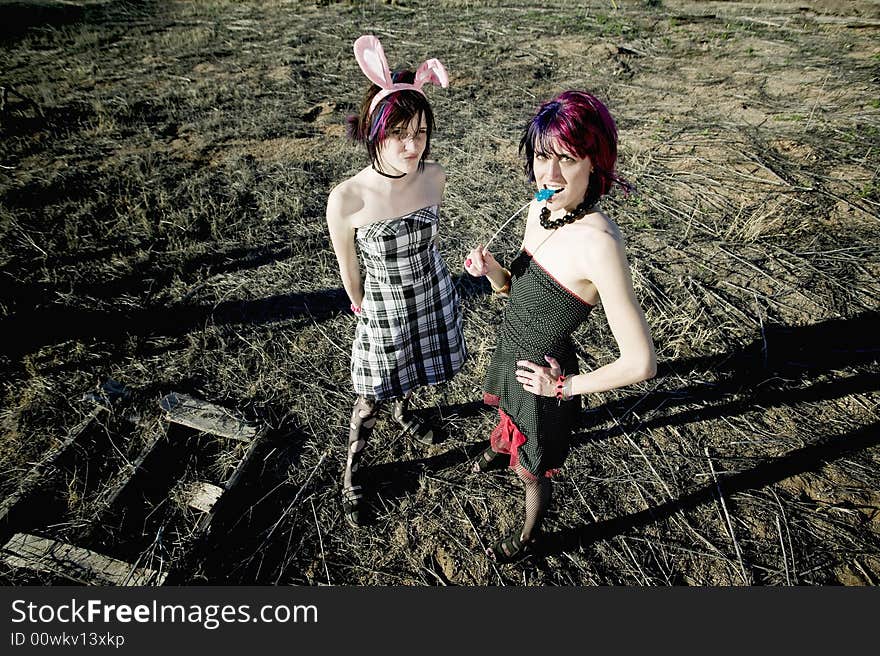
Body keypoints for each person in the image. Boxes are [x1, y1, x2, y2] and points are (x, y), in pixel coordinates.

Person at [464, 90, 656, 563]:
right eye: (541, 157)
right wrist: (492, 273)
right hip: (512, 351)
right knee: (507, 414)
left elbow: (642, 362)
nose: (548, 175)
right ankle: (501, 443)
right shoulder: (538, 209)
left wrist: (565, 387)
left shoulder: (599, 244)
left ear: (595, 163)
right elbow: (517, 288)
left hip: (545, 379)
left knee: (535, 470)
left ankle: (530, 532)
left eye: (567, 159)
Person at [326, 35, 466, 527]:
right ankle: (351, 476)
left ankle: (408, 414)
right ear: (374, 131)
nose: (412, 146)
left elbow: (430, 242)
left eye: (422, 132)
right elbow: (349, 267)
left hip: (431, 295)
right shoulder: (347, 198)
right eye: (400, 134)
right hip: (383, 308)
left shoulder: (435, 176)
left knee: (416, 372)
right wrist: (361, 304)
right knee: (369, 399)